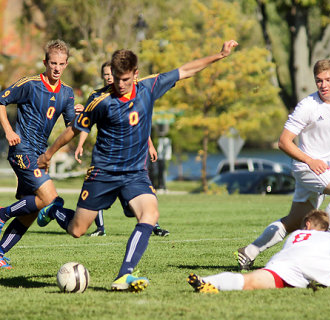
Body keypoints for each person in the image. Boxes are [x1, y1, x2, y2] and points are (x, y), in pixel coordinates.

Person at [36, 40, 239, 291]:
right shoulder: (100, 100)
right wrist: (49, 154)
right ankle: (54, 208)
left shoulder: (148, 88)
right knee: (77, 230)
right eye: (116, 79)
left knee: (150, 215)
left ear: (136, 74)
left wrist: (219, 55)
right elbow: (74, 129)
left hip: (135, 173)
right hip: (104, 173)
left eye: (125, 79)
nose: (119, 84)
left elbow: (186, 70)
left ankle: (124, 275)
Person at [236, 59, 330, 271]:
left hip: (320, 169)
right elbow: (283, 142)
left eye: (328, 80)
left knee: (294, 222)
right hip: (307, 167)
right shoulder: (307, 106)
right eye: (319, 81)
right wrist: (310, 160)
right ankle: (319, 246)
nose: (323, 85)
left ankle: (249, 251)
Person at [0, 39, 83, 269]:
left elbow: (71, 127)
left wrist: (83, 114)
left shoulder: (66, 93)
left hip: (39, 155)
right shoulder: (30, 83)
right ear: (45, 62)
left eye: (61, 64)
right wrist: (8, 131)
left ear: (66, 64)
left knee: (32, 211)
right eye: (53, 63)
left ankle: (0, 251)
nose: (57, 68)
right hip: (22, 149)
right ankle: (2, 214)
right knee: (50, 199)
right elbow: (1, 100)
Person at [188, 210, 330, 293]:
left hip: (285, 262)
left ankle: (209, 281)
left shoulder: (295, 236)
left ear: (307, 224)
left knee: (248, 282)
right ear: (324, 228)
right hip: (319, 262)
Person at [76, 61, 169, 237]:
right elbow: (85, 125)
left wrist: (150, 145)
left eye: (112, 73)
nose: (109, 77)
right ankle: (100, 228)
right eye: (106, 74)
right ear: (102, 76)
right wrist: (80, 144)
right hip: (107, 156)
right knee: (97, 190)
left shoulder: (132, 94)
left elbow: (138, 124)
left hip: (131, 155)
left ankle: (153, 225)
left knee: (139, 193)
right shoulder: (97, 97)